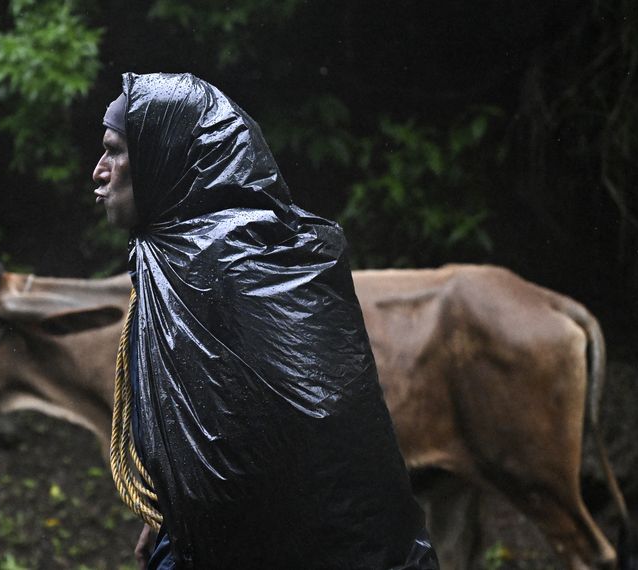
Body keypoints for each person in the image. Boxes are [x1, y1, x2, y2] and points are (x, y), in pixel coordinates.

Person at [93, 72, 438, 570]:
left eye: (114, 152)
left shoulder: (240, 265)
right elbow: (206, 422)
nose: (99, 172)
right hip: (202, 531)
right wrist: (174, 506)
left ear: (159, 156)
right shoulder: (169, 261)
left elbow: (309, 437)